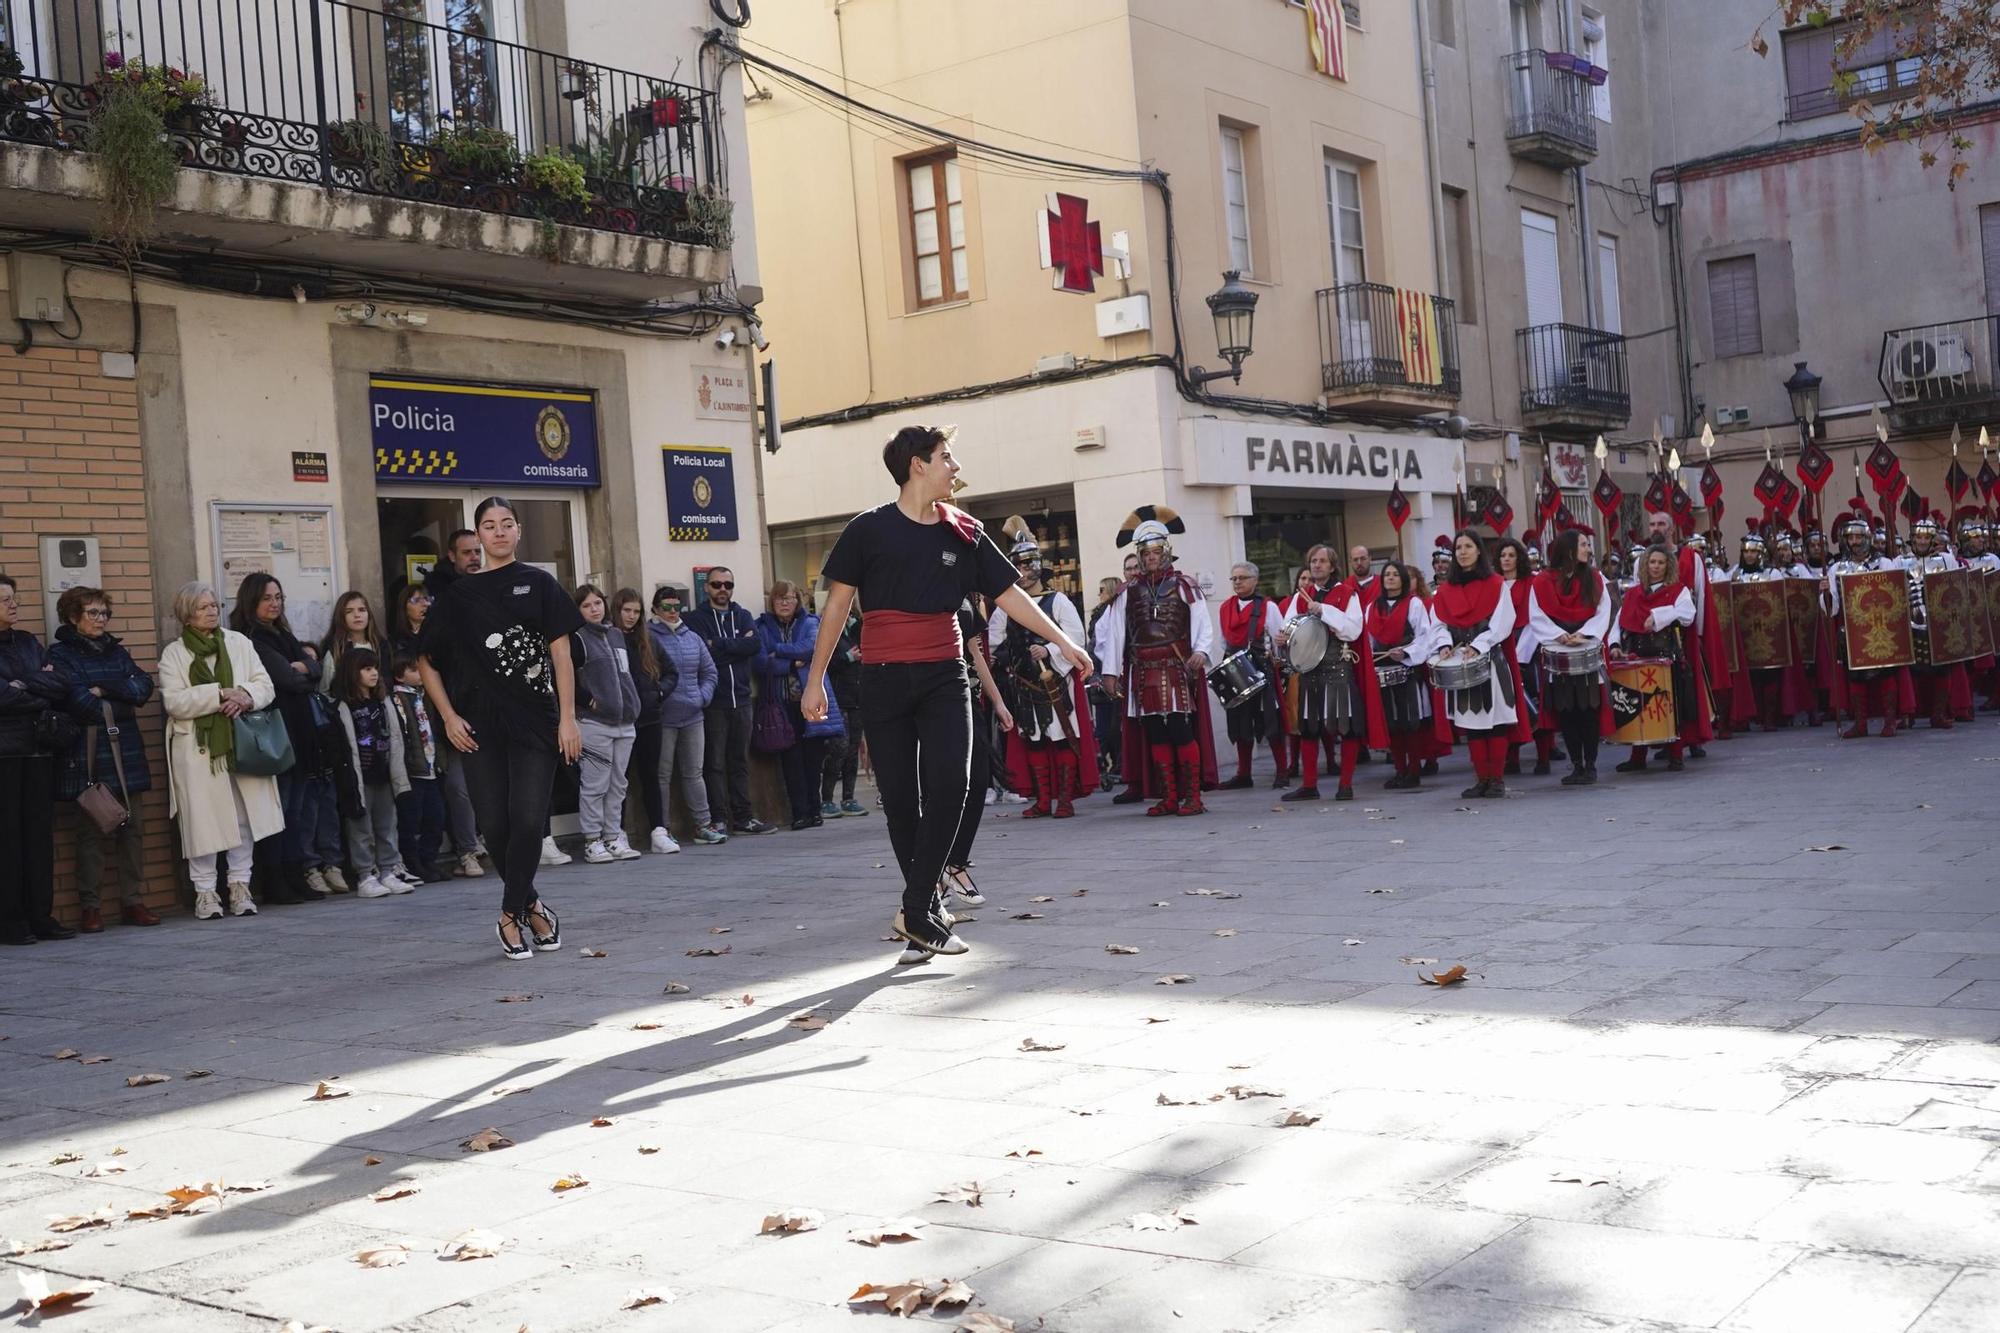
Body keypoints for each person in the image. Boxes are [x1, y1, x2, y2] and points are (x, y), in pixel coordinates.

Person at [801, 424, 1088, 958]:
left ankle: (915, 910)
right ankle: (924, 914)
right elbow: (837, 608)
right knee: (901, 802)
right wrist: (816, 679)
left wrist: (1064, 641)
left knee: (953, 786)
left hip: (944, 675)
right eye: (946, 457)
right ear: (917, 465)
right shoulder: (867, 529)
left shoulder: (966, 531)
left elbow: (1008, 595)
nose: (955, 467)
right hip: (882, 679)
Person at [418, 497, 584, 961]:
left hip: (536, 722)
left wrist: (567, 718)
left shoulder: (540, 584)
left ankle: (510, 914)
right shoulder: (457, 597)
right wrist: (449, 717)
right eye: (489, 526)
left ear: (518, 532)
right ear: (477, 536)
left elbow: (562, 655)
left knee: (530, 820)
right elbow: (426, 662)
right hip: (477, 727)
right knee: (494, 824)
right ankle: (532, 907)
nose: (498, 532)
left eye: (507, 524)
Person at [159, 581, 284, 921]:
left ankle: (240, 886)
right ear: (187, 614)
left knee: (243, 818)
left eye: (214, 605)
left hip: (241, 742)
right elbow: (174, 701)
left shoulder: (238, 642)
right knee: (201, 822)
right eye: (203, 607)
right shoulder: (174, 653)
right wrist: (218, 695)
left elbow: (265, 685)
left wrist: (244, 695)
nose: (212, 611)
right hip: (198, 749)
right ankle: (205, 892)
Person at [48, 586, 161, 932]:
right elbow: (79, 703)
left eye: (104, 613)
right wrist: (115, 696)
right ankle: (90, 906)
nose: (100, 620)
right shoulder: (61, 654)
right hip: (88, 755)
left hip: (126, 755)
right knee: (91, 833)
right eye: (93, 613)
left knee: (134, 829)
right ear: (73, 617)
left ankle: (132, 901)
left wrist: (105, 689)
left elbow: (144, 687)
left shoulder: (117, 651)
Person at [1098, 506, 1220, 815]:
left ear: (1166, 551)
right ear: (1139, 555)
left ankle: (1192, 797)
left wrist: (1201, 651)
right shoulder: (1127, 592)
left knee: (1181, 730)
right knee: (1155, 733)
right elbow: (1114, 634)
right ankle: (1169, 797)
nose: (1151, 557)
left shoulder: (1185, 585)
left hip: (1176, 669)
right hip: (1142, 672)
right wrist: (1109, 672)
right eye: (1145, 552)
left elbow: (1202, 622)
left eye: (1156, 551)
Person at [231, 573, 336, 904]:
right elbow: (287, 679)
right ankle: (276, 879)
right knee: (281, 808)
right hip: (276, 732)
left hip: (301, 730)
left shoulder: (282, 634)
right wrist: (305, 669)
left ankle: (296, 874)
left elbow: (315, 667)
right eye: (267, 598)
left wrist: (305, 668)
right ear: (251, 601)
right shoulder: (250, 637)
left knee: (299, 808)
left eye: (278, 597)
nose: (275, 603)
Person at [989, 518, 1096, 817]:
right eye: (1018, 566)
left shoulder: (1058, 600)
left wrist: (1049, 649)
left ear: (1038, 566)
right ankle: (1042, 800)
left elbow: (1075, 638)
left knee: (1062, 739)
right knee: (1033, 741)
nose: (1023, 572)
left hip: (1056, 683)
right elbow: (993, 641)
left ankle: (1064, 800)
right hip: (1024, 684)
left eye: (1027, 565)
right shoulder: (1005, 606)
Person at [1272, 543, 1387, 802]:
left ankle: (1345, 785)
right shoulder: (1301, 595)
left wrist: (1324, 610)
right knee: (1309, 728)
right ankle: (1310, 786)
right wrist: (1282, 637)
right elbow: (1288, 627)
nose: (1317, 565)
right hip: (1311, 671)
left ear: (1332, 566)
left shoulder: (1347, 594)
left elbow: (1354, 629)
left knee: (1346, 728)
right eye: (1313, 561)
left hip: (1338, 669)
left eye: (1322, 561)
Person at [0, 572, 76, 944]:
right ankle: (11, 921)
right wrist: (34, 683)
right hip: (5, 753)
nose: (13, 605)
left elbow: (59, 685)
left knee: (38, 836)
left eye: (13, 598)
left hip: (39, 748)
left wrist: (23, 683)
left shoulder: (28, 642)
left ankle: (40, 916)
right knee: (8, 839)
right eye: (4, 600)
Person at [1430, 530, 1530, 798]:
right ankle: (1482, 778)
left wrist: (1479, 645)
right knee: (1472, 723)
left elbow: (1502, 623)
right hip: (1461, 660)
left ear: (1478, 551)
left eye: (1468, 546)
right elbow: (1438, 623)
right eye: (1458, 547)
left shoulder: (1496, 584)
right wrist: (1443, 643)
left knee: (1494, 721)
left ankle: (1496, 779)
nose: (1462, 551)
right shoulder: (1444, 591)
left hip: (1490, 660)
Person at [422, 530, 488, 877]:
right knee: (459, 787)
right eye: (467, 553)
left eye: (477, 552)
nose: (474, 558)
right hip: (454, 706)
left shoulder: (490, 587)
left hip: (489, 703)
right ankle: (466, 850)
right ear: (452, 556)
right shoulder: (442, 599)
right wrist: (449, 712)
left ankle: (484, 840)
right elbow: (429, 659)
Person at [689, 566, 771, 836]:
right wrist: (736, 646)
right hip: (715, 702)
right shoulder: (697, 618)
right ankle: (719, 819)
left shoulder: (742, 615)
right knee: (714, 763)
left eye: (728, 585)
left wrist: (720, 644)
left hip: (743, 700)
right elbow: (706, 657)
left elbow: (754, 646)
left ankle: (744, 817)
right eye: (716, 585)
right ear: (706, 587)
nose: (722, 590)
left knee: (739, 762)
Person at [332, 648, 420, 897]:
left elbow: (394, 736)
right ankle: (365, 874)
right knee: (361, 828)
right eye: (367, 668)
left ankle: (388, 870)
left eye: (375, 668)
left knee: (386, 825)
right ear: (352, 673)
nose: (373, 673)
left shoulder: (383, 702)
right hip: (359, 777)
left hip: (384, 774)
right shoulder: (342, 706)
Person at [1528, 530, 1613, 785]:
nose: (1589, 549)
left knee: (1588, 711)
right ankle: (1576, 764)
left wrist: (1585, 634)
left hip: (1586, 651)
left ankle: (1590, 764)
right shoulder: (1542, 581)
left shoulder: (1595, 578)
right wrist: (1559, 635)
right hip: (1559, 654)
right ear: (1568, 550)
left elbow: (1604, 611)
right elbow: (1537, 614)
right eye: (1584, 545)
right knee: (1567, 713)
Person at [570, 584, 644, 862]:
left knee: (618, 783)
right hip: (595, 723)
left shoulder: (615, 635)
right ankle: (592, 839)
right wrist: (586, 699)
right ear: (578, 610)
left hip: (625, 721)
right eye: (587, 605)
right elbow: (564, 674)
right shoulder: (576, 638)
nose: (594, 609)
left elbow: (624, 673)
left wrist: (633, 702)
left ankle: (613, 836)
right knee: (595, 783)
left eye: (598, 603)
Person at [1609, 545, 1697, 772]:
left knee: (1670, 707)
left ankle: (1676, 755)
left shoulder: (1679, 591)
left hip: (1667, 656)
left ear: (1668, 565)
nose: (1656, 566)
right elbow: (1620, 622)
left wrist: (1658, 616)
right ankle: (1637, 756)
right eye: (1652, 562)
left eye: (1660, 562)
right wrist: (1616, 645)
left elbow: (1687, 615)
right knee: (1638, 707)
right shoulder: (1634, 594)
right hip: (1638, 656)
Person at [648, 586, 724, 845]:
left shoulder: (691, 636)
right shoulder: (648, 636)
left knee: (694, 772)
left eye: (676, 606)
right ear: (655, 609)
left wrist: (701, 697)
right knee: (663, 774)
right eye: (666, 607)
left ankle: (703, 824)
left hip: (693, 715)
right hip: (664, 716)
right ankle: (663, 828)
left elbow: (710, 672)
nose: (672, 612)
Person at [756, 580, 831, 831]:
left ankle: (815, 810)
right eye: (779, 599)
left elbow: (810, 648)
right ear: (772, 602)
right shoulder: (763, 626)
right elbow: (761, 662)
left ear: (797, 601)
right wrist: (790, 664)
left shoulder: (810, 622)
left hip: (809, 703)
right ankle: (799, 813)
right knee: (791, 762)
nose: (784, 603)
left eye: (789, 598)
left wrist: (777, 650)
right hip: (781, 705)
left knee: (813, 760)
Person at [1364, 561, 1439, 790]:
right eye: (1387, 574)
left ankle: (1414, 770)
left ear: (1403, 579)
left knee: (1410, 723)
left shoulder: (1413, 604)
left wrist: (1405, 652)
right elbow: (1368, 639)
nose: (1390, 578)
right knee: (1392, 724)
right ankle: (1400, 770)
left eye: (1395, 574)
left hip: (1407, 668)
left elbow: (1424, 636)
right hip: (1382, 671)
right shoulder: (1372, 607)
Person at [611, 589, 673, 853]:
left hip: (649, 719)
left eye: (636, 612)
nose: (631, 617)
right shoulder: (608, 638)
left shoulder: (648, 639)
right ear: (617, 610)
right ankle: (617, 832)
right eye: (627, 611)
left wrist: (658, 693)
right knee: (618, 779)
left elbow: (671, 673)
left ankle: (659, 830)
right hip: (619, 721)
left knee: (651, 776)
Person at [1217, 561, 1287, 790]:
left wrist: (1278, 656)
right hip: (1235, 669)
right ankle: (1243, 773)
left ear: (1255, 580)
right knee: (1239, 721)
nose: (1237, 582)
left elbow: (1280, 637)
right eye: (1234, 578)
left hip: (1260, 668)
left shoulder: (1268, 607)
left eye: (1243, 577)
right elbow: (1222, 641)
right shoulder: (1225, 608)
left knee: (1270, 720)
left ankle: (1282, 772)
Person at [1898, 516, 1970, 730]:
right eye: (1918, 537)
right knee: (1909, 670)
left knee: (1942, 669)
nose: (1921, 541)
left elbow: (1955, 589)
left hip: (1938, 623)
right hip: (1910, 623)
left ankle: (1938, 713)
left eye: (1926, 537)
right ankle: (1908, 713)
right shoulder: (1899, 562)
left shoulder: (1946, 559)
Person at [391, 654, 449, 881]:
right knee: (411, 819)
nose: (420, 675)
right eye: (414, 671)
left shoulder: (426, 697)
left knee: (435, 816)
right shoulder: (398, 699)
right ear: (399, 676)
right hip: (413, 770)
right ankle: (413, 862)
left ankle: (429, 860)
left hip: (432, 767)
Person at [820, 599, 867, 817]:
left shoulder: (858, 627)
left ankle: (849, 798)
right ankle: (827, 799)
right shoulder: (828, 627)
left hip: (857, 696)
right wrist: (848, 657)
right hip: (838, 698)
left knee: (853, 749)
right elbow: (825, 662)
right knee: (838, 748)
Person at [1085, 574, 1124, 786]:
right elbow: (1094, 644)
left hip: (1114, 673)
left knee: (1116, 728)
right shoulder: (1098, 614)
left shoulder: (1117, 611)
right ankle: (1109, 767)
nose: (1099, 594)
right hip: (1099, 675)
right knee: (1102, 729)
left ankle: (1119, 766)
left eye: (1102, 589)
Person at [318, 590, 388, 691]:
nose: (357, 615)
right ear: (341, 617)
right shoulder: (335, 648)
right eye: (349, 611)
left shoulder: (380, 645)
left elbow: (388, 681)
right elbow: (325, 690)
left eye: (362, 610)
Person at [389, 583, 431, 660]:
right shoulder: (396, 641)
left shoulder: (436, 633)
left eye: (427, 599)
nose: (425, 604)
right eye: (417, 600)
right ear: (404, 607)